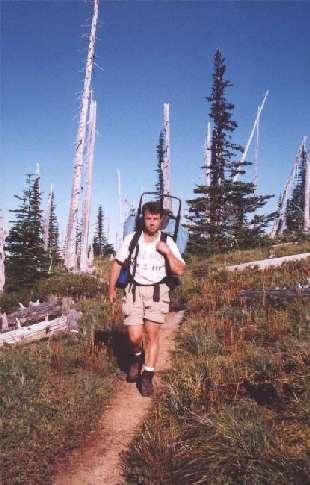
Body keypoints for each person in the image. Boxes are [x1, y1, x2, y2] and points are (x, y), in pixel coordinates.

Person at [108, 201, 185, 397]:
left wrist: (167, 253)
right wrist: (111, 289)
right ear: (143, 218)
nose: (152, 222)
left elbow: (180, 270)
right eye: (148, 218)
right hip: (133, 291)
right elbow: (117, 264)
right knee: (134, 336)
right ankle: (137, 355)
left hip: (158, 292)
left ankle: (148, 376)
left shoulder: (168, 242)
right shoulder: (132, 239)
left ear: (161, 220)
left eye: (155, 219)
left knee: (152, 335)